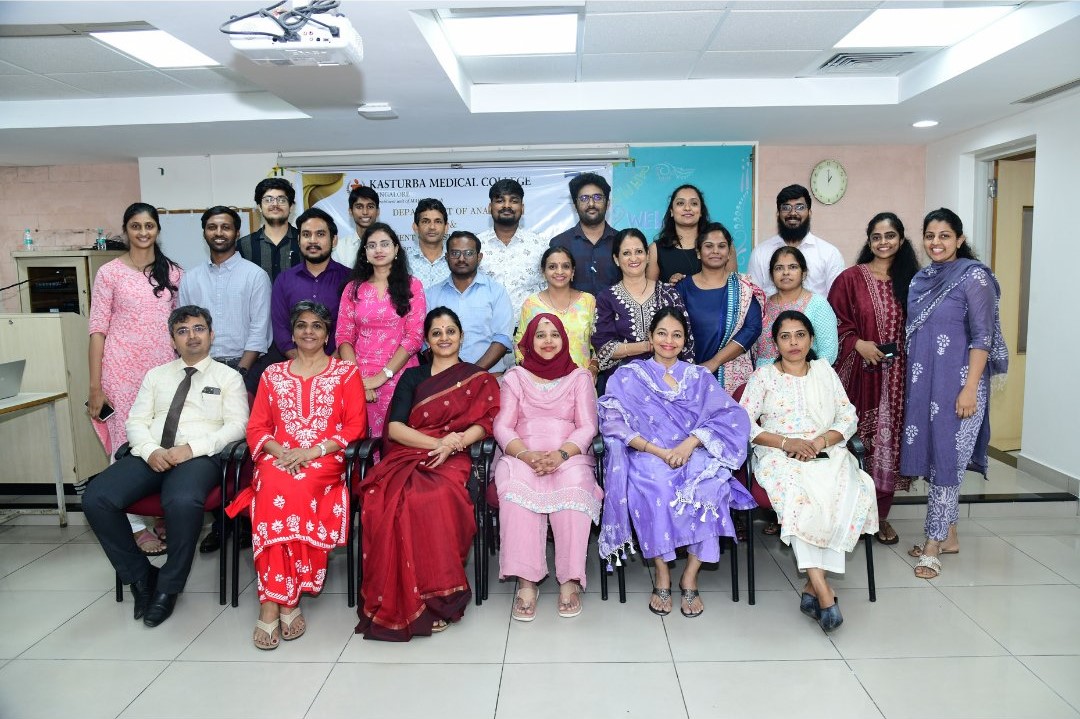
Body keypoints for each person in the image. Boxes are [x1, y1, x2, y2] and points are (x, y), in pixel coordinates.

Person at [83, 306, 248, 628]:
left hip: (199, 456)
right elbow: (136, 421)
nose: (192, 336)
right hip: (151, 454)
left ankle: (169, 587)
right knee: (96, 497)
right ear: (173, 340)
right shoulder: (156, 376)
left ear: (211, 335)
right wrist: (149, 450)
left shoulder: (228, 377)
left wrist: (192, 449)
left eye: (199, 329)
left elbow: (237, 426)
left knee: (181, 500)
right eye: (182, 331)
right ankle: (141, 576)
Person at [226, 301, 366, 649]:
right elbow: (257, 427)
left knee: (296, 490)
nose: (308, 331)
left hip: (324, 460)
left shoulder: (346, 373)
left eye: (316, 325)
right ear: (292, 332)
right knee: (273, 489)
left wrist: (311, 452)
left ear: (327, 334)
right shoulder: (272, 374)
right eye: (302, 325)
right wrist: (281, 452)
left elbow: (355, 426)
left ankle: (276, 601)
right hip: (278, 457)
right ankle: (281, 601)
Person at [355, 307, 500, 641]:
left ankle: (439, 597)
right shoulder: (413, 377)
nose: (444, 338)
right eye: (436, 333)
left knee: (434, 496)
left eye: (450, 331)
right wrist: (438, 443)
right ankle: (407, 594)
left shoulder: (477, 378)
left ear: (461, 336)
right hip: (414, 450)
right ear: (427, 340)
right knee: (384, 498)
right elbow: (395, 428)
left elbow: (486, 421)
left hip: (456, 456)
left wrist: (455, 443)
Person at [599, 307, 753, 618]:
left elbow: (731, 417)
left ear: (684, 341)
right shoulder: (628, 376)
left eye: (676, 335)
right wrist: (658, 451)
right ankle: (662, 574)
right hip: (646, 454)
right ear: (650, 337)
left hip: (693, 451)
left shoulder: (699, 377)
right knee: (656, 487)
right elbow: (612, 422)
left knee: (711, 488)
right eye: (662, 333)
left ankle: (690, 576)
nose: (669, 341)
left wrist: (690, 443)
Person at [739, 310, 878, 631]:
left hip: (825, 449)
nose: (794, 343)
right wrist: (787, 442)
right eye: (785, 337)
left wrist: (819, 441)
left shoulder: (824, 372)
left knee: (844, 492)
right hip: (779, 454)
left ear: (811, 339)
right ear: (775, 343)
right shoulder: (763, 377)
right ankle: (824, 592)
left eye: (800, 335)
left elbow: (847, 416)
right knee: (799, 498)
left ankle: (811, 586)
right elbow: (743, 423)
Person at [901, 208, 1008, 580]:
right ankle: (949, 536)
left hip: (961, 387)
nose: (936, 243)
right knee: (936, 458)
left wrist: (969, 389)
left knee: (947, 462)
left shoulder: (974, 277)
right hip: (925, 386)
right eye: (930, 235)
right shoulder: (921, 279)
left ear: (960, 239)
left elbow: (983, 337)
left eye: (945, 235)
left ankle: (932, 544)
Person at [88, 202, 183, 556]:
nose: (143, 232)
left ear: (157, 230)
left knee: (164, 439)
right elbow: (97, 330)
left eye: (149, 226)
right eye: (136, 226)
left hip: (164, 371)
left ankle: (162, 514)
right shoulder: (109, 273)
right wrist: (95, 386)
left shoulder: (173, 273)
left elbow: (181, 327)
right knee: (126, 444)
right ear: (126, 230)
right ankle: (135, 526)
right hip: (121, 373)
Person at [495, 313, 601, 621]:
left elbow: (587, 426)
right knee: (515, 492)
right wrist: (526, 455)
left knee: (575, 488)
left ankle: (570, 580)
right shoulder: (515, 377)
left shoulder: (579, 377)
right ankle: (527, 582)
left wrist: (561, 455)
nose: (548, 341)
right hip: (522, 454)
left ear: (564, 339)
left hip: (569, 454)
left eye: (554, 334)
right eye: (540, 335)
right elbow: (503, 425)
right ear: (529, 341)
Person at [828, 212, 919, 546]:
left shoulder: (914, 281)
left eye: (890, 235)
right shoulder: (850, 279)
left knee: (890, 447)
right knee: (856, 445)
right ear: (869, 241)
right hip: (860, 377)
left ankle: (880, 517)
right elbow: (832, 323)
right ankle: (849, 515)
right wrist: (857, 343)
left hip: (900, 380)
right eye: (877, 236)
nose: (883, 242)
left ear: (901, 239)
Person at [336, 222, 426, 439]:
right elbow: (343, 336)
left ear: (396, 249)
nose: (378, 250)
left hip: (400, 374)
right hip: (358, 375)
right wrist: (357, 380)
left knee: (397, 439)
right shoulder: (353, 288)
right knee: (360, 442)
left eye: (385, 244)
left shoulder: (412, 286)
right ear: (364, 252)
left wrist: (381, 377)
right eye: (372, 245)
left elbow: (414, 337)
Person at [178, 205, 272, 384]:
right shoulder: (190, 278)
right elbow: (183, 328)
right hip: (201, 369)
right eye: (212, 227)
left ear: (237, 233)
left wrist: (240, 373)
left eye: (226, 227)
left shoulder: (255, 276)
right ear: (204, 233)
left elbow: (259, 331)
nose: (219, 233)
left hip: (245, 368)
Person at [593, 228, 694, 392]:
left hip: (668, 383)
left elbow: (686, 342)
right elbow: (604, 348)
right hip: (625, 384)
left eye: (639, 251)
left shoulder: (668, 294)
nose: (633, 258)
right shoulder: (606, 298)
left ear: (648, 256)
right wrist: (647, 346)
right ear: (616, 259)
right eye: (626, 253)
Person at [675, 222, 764, 394]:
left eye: (721, 246)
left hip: (732, 378)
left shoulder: (743, 288)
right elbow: (673, 330)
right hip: (690, 374)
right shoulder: (682, 287)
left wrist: (714, 362)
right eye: (709, 246)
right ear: (698, 252)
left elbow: (753, 328)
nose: (715, 251)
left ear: (729, 253)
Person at [425, 231, 515, 373]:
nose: (461, 258)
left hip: (489, 376)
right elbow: (425, 343)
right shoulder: (431, 295)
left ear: (479, 257)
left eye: (468, 253)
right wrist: (447, 376)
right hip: (442, 379)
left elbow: (502, 339)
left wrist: (470, 374)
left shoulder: (496, 292)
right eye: (455, 253)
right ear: (446, 257)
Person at [269, 208, 351, 359]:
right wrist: (302, 364)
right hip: (295, 365)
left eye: (320, 234)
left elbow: (353, 329)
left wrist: (330, 365)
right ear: (299, 240)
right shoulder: (284, 280)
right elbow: (281, 330)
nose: (313, 240)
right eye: (306, 234)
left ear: (334, 240)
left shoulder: (350, 279)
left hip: (338, 364)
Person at [747, 184, 845, 297]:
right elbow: (753, 298)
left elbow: (838, 299)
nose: (793, 213)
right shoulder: (760, 253)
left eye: (800, 207)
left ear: (809, 212)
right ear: (778, 213)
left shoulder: (829, 253)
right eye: (786, 208)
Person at [514, 246, 597, 372]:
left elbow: (599, 342)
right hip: (540, 379)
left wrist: (593, 368)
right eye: (552, 267)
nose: (559, 271)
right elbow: (519, 344)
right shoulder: (532, 304)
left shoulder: (588, 301)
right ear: (543, 272)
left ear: (573, 271)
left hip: (581, 378)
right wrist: (533, 371)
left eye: (565, 266)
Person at [754, 246, 838, 367]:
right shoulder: (761, 305)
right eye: (779, 268)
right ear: (771, 275)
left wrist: (805, 373)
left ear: (804, 273)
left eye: (793, 267)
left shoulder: (818, 304)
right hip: (763, 375)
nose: (785, 272)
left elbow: (828, 353)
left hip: (805, 374)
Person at [478, 178, 548, 315]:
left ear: (522, 208)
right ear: (490, 207)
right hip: (486, 325)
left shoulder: (540, 246)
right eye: (500, 201)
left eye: (514, 201)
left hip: (531, 325)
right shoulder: (476, 245)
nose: (507, 206)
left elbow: (549, 288)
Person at [549, 172, 620, 295]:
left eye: (597, 197)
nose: (591, 204)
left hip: (615, 308)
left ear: (607, 203)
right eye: (584, 198)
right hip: (571, 308)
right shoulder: (560, 243)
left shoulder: (621, 241)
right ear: (575, 205)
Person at [238, 177, 301, 281]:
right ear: (259, 207)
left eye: (282, 200)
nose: (275, 204)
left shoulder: (305, 241)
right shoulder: (243, 245)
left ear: (291, 207)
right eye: (268, 200)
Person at [647, 184, 710, 284]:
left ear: (701, 211)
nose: (687, 208)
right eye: (680, 203)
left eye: (694, 203)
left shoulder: (721, 246)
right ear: (671, 211)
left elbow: (732, 289)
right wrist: (669, 288)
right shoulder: (655, 249)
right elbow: (649, 291)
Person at [403, 198, 451, 289]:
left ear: (446, 227)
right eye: (425, 221)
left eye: (438, 221)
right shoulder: (403, 260)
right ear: (415, 227)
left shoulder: (455, 260)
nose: (432, 227)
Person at [331, 185, 380, 268]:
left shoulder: (388, 246)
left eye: (370, 207)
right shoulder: (339, 248)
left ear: (378, 211)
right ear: (350, 211)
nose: (365, 212)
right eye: (359, 207)